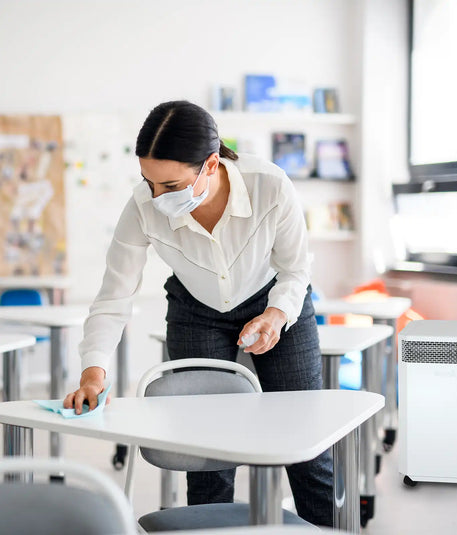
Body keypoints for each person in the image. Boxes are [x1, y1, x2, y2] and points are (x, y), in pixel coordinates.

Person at [63, 100, 333, 526]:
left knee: (307, 447)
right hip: (195, 311)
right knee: (206, 452)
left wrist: (277, 316)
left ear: (210, 164)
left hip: (276, 303)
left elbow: (296, 269)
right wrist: (93, 371)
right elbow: (114, 297)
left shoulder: (270, 185)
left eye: (171, 186)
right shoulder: (141, 208)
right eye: (148, 182)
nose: (156, 197)